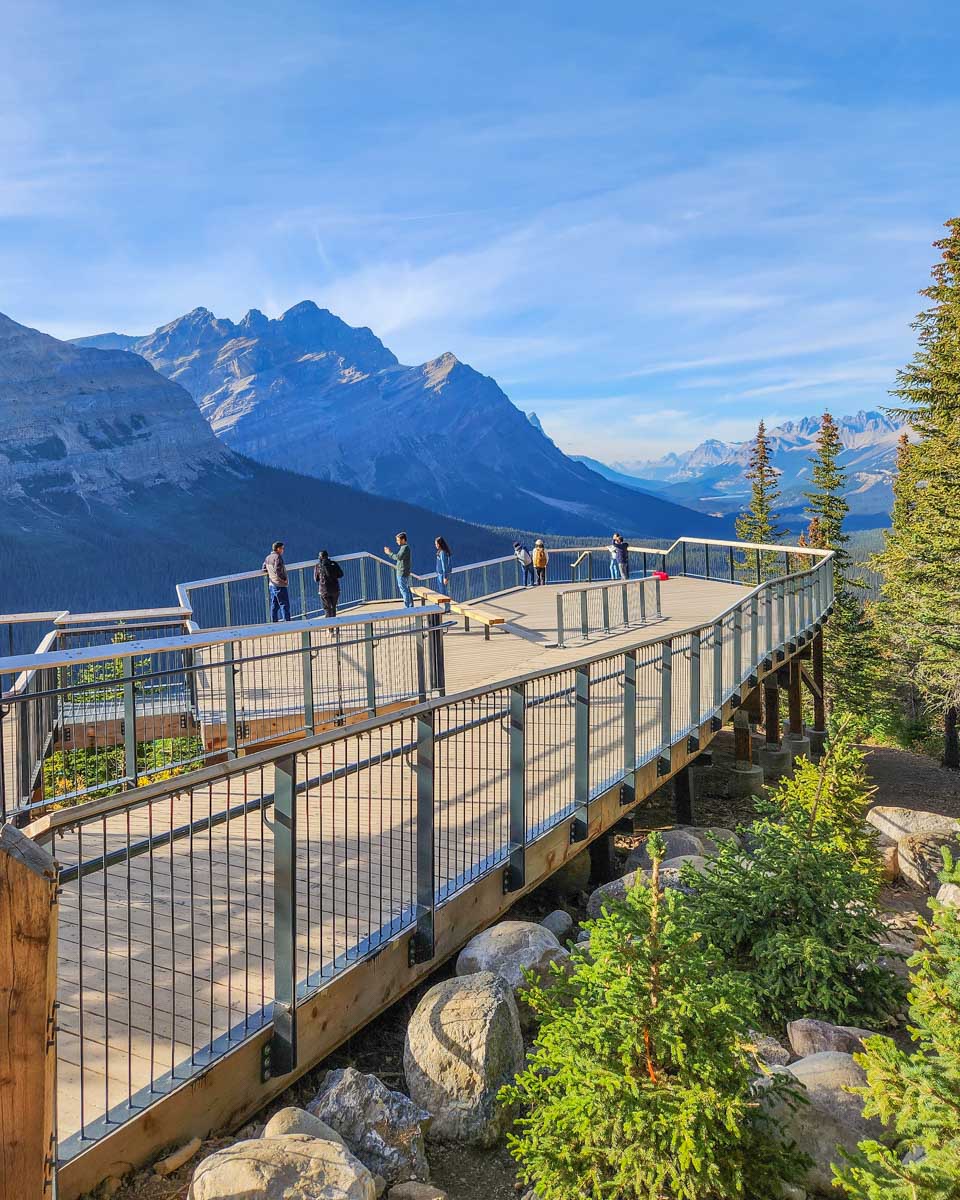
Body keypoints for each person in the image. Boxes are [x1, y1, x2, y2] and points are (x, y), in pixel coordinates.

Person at [383, 531, 414, 607]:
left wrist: (389, 553)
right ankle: (410, 606)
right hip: (404, 572)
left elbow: (398, 557)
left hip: (402, 572)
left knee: (404, 590)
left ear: (403, 540)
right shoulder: (405, 548)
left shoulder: (405, 548)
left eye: (398, 540)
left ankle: (408, 607)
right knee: (406, 589)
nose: (397, 542)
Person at [262, 540, 290, 622]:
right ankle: (288, 624)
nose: (283, 550)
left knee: (274, 605)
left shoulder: (267, 558)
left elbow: (264, 568)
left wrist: (271, 573)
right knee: (284, 604)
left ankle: (274, 623)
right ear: (278, 549)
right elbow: (278, 570)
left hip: (271, 584)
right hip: (279, 585)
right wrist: (284, 580)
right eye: (282, 548)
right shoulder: (278, 557)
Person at [314, 549, 344, 618]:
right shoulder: (334, 564)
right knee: (333, 607)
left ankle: (329, 623)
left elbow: (316, 579)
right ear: (327, 556)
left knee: (327, 608)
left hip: (324, 590)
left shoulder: (318, 566)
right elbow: (341, 574)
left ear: (320, 557)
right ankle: (334, 622)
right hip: (335, 589)